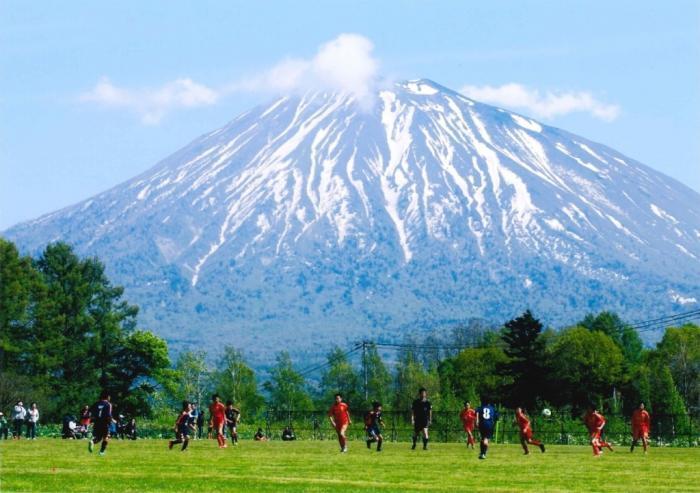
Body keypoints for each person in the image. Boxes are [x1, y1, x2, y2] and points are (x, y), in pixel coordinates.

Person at [88, 391, 113, 456]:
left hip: (97, 422)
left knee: (98, 437)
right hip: (105, 423)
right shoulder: (108, 404)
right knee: (106, 437)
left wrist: (92, 419)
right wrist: (110, 422)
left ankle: (92, 441)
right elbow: (108, 414)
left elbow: (90, 411)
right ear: (107, 397)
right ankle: (101, 452)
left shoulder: (96, 403)